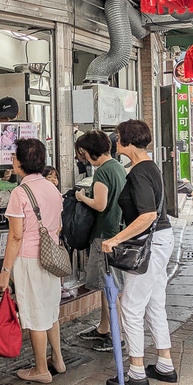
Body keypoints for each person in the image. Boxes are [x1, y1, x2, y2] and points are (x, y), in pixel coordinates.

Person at [101, 119, 177, 385]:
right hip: (160, 241)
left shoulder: (139, 172)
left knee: (131, 307)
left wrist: (115, 239)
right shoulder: (149, 166)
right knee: (155, 303)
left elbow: (147, 215)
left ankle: (136, 371)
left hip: (150, 243)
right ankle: (165, 364)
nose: (115, 140)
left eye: (118, 136)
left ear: (127, 141)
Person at [0, 138, 64, 383]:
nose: (12, 160)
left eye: (15, 156)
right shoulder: (52, 188)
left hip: (29, 259)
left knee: (35, 313)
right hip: (52, 257)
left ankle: (40, 370)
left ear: (21, 162)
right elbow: (57, 226)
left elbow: (15, 236)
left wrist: (5, 271)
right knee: (50, 310)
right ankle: (57, 359)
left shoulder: (20, 193)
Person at [73, 130, 126, 352]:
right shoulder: (118, 167)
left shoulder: (102, 172)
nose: (81, 157)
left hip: (105, 234)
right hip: (117, 231)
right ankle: (104, 328)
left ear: (87, 151)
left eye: (81, 153)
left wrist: (82, 197)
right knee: (107, 286)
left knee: (110, 287)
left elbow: (101, 204)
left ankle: (117, 336)